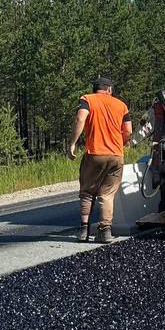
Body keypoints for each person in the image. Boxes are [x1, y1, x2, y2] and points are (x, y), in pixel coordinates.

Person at [67, 75, 132, 243]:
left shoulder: (87, 99)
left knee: (88, 192)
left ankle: (83, 231)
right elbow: (128, 131)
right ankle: (105, 231)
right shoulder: (122, 105)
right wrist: (120, 143)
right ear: (109, 89)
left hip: (95, 153)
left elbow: (80, 118)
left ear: (95, 89)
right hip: (116, 156)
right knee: (107, 194)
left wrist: (72, 144)